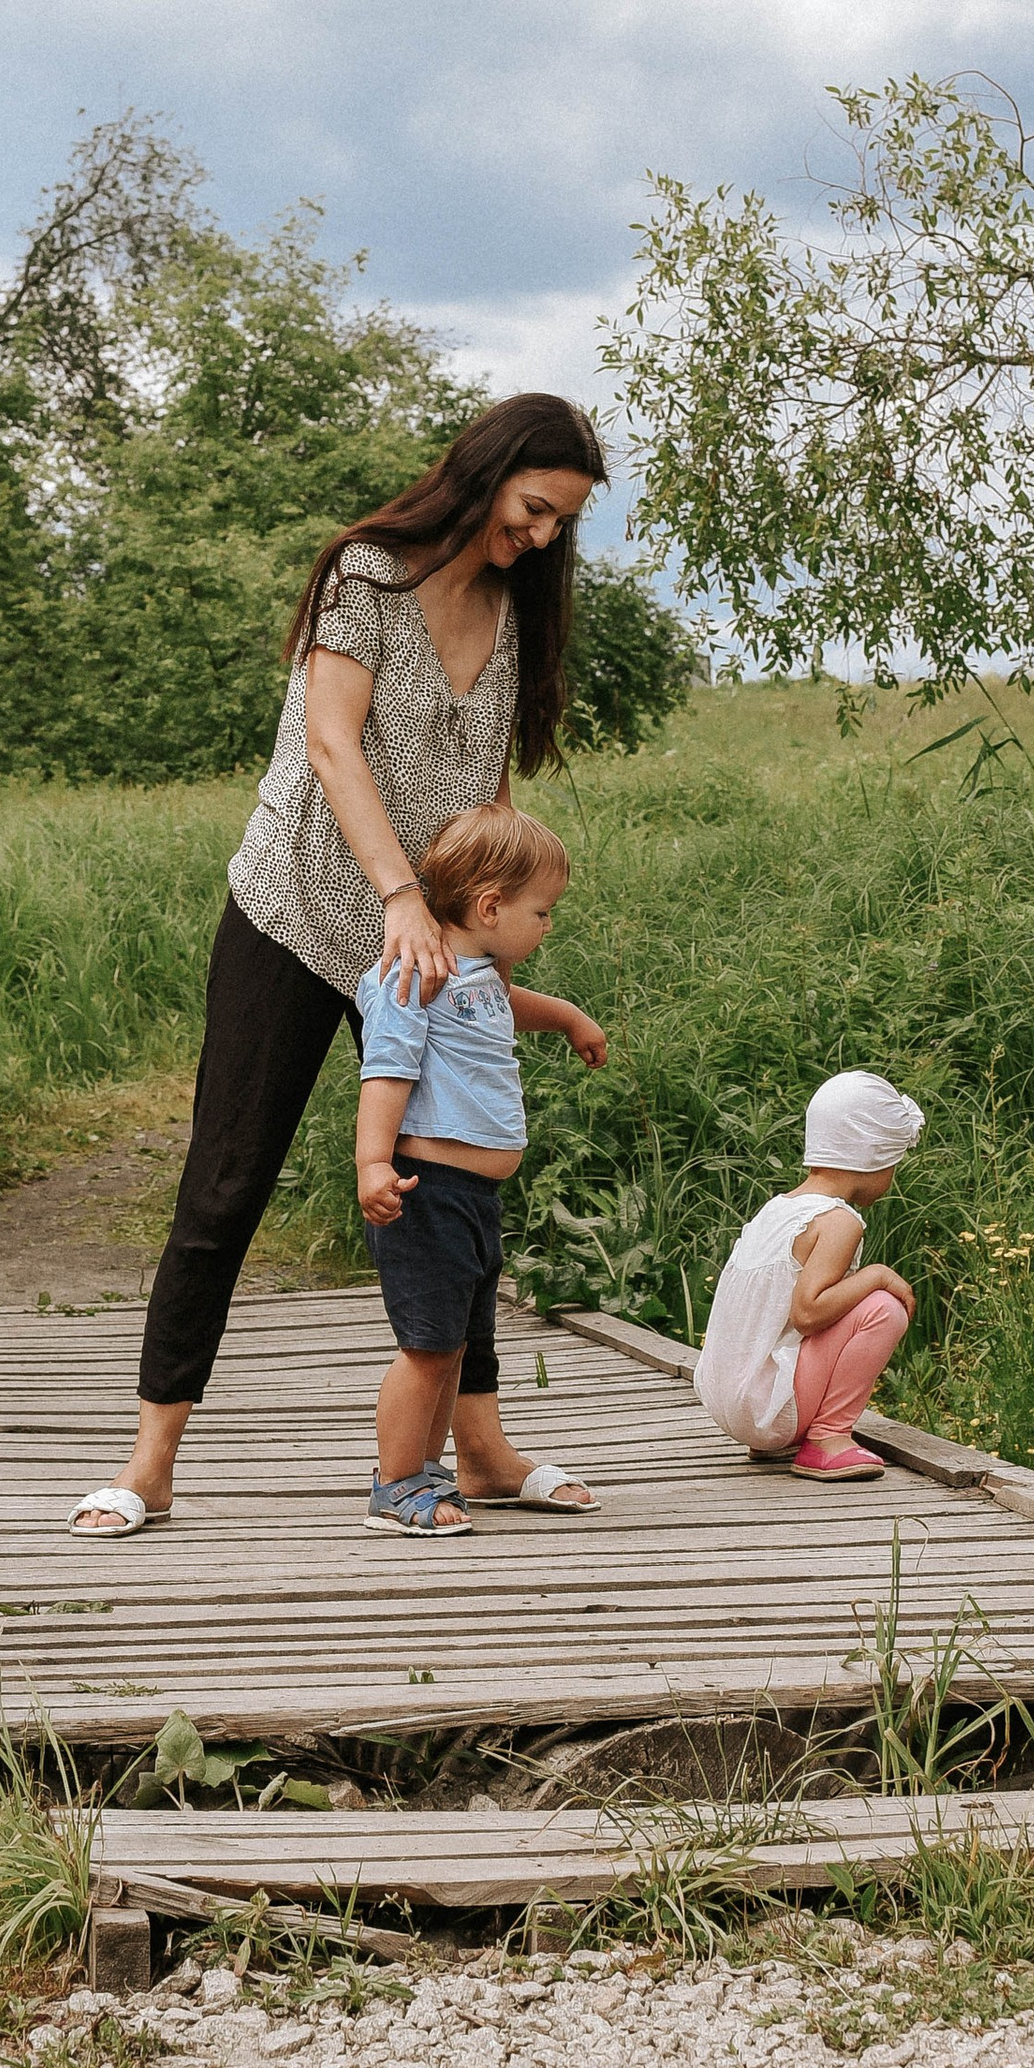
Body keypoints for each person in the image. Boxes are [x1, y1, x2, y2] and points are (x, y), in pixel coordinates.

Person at [70, 392, 612, 1537]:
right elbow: (330, 741)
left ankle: (478, 1451)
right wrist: (400, 897)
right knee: (225, 1185)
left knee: (456, 1182)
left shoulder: (512, 613)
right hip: (302, 909)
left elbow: (488, 796)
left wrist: (481, 920)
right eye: (534, 509)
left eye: (563, 522)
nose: (543, 536)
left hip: (431, 939)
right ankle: (149, 1462)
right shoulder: (367, 575)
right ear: (486, 475)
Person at [354, 804, 606, 1535]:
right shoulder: (415, 975)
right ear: (491, 906)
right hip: (423, 1191)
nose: (547, 924)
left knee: (457, 1343)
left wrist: (563, 1015)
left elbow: (501, 1006)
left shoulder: (479, 975)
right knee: (427, 1347)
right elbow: (386, 1072)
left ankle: (449, 1471)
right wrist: (373, 1161)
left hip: (472, 1196)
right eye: (543, 911)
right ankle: (397, 1480)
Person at [694, 1071, 926, 1480]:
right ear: (875, 1157)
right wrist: (877, 1275)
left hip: (728, 1400)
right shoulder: (837, 1220)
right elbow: (808, 1313)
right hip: (767, 1410)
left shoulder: (779, 1208)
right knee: (884, 1310)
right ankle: (827, 1438)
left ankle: (778, 1437)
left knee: (851, 1305)